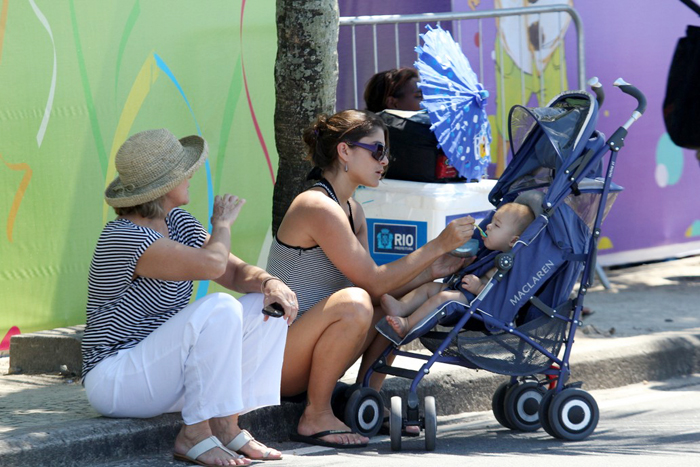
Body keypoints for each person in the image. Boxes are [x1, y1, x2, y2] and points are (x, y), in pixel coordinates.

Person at [81, 129, 298, 466]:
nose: (192, 176)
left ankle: (227, 424)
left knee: (264, 306)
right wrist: (222, 224)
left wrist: (270, 282)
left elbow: (236, 273)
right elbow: (212, 265)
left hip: (164, 377)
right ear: (166, 185)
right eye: (185, 172)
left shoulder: (178, 222)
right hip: (116, 380)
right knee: (220, 307)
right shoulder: (123, 236)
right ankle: (194, 434)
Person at [266, 109, 475, 448]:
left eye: (386, 152)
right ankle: (315, 414)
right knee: (355, 303)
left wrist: (432, 272)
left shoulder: (353, 210)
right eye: (377, 150)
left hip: (306, 352)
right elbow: (372, 284)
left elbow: (377, 287)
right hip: (278, 361)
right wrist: (437, 246)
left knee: (389, 311)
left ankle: (363, 401)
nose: (385, 160)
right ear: (344, 151)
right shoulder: (317, 205)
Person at [381, 202, 535, 339]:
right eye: (492, 222)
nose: (488, 226)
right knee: (430, 287)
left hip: (481, 305)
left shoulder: (512, 265)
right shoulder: (494, 254)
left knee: (443, 297)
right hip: (466, 293)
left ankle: (407, 324)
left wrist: (479, 288)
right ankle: (400, 307)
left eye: (497, 225)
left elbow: (502, 297)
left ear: (513, 240)